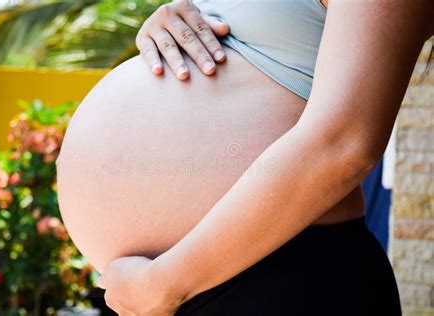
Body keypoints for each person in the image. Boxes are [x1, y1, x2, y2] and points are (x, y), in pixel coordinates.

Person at [57, 0, 434, 315]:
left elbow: (346, 145)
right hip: (178, 285)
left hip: (280, 276)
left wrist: (165, 285)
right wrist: (169, 22)